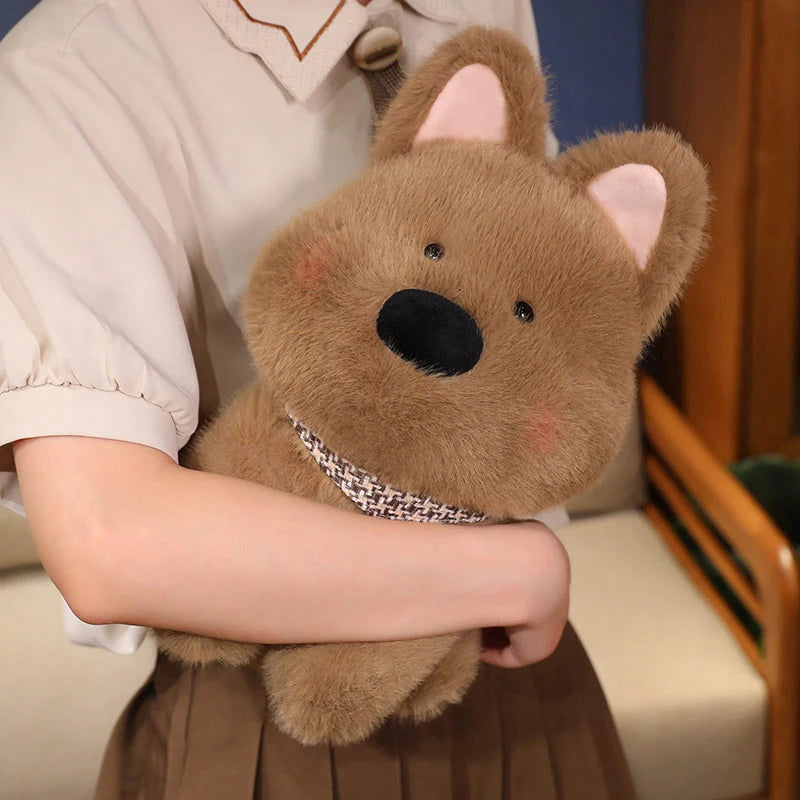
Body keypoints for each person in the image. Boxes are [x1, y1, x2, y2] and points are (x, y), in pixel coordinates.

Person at [0, 1, 637, 797]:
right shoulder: (76, 68)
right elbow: (108, 541)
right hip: (282, 712)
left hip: (515, 670)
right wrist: (522, 568)